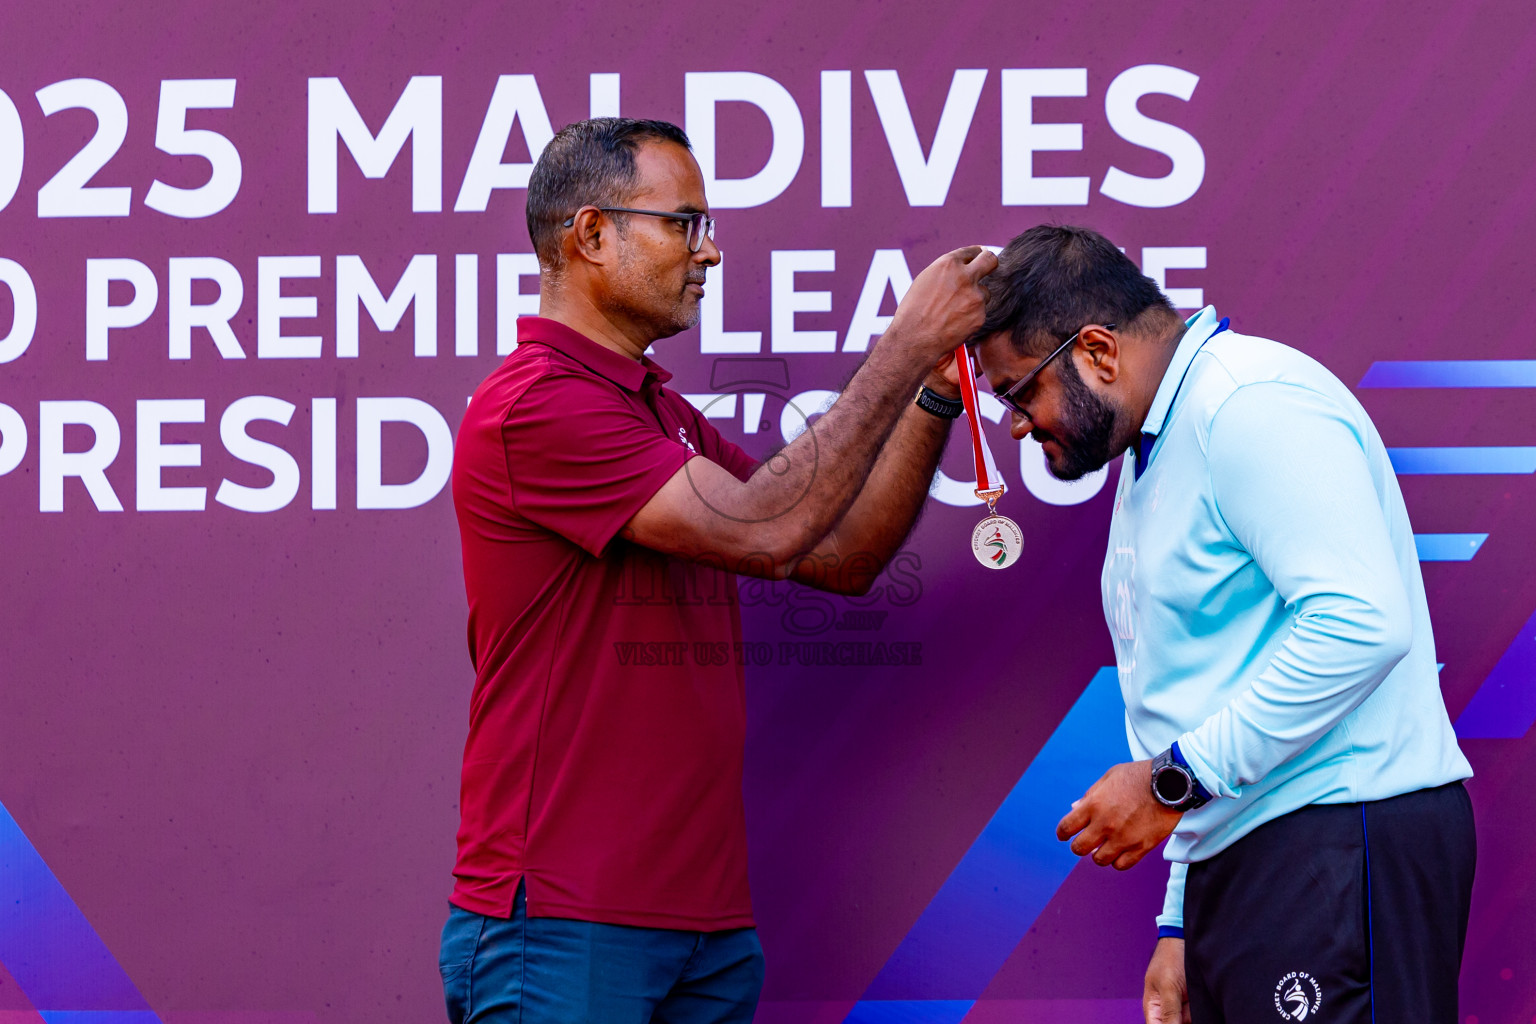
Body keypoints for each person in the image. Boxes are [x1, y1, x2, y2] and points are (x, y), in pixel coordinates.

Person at [441, 116, 995, 1024]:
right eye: (684, 224)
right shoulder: (537, 404)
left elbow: (841, 553)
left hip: (703, 927)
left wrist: (931, 384)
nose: (710, 252)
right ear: (591, 235)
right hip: (564, 923)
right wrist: (896, 349)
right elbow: (765, 530)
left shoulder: (660, 409)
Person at [969, 225, 1474, 1024]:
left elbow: (1362, 623)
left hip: (1339, 837)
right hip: (1260, 855)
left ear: (1097, 351)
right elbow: (1207, 689)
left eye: (1016, 392)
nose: (1016, 425)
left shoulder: (1249, 404)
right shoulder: (1162, 440)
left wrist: (1175, 783)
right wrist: (1181, 915)